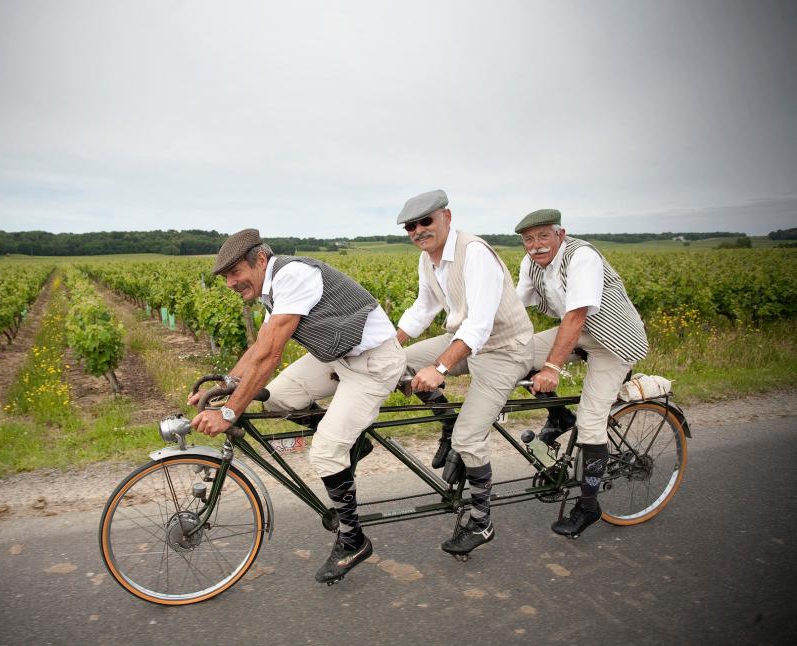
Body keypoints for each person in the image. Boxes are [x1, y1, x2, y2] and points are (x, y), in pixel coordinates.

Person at [190, 228, 406, 584]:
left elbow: (272, 354)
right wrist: (224, 386)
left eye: (234, 272)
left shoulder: (292, 275)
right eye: (225, 276)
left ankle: (353, 539)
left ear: (260, 260)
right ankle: (355, 442)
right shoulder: (271, 289)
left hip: (373, 363)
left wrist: (229, 412)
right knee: (277, 399)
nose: (230, 282)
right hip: (337, 358)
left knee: (323, 454)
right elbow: (259, 347)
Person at [394, 190, 534, 557]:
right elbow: (423, 308)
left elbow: (480, 324)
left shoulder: (474, 253)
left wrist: (440, 367)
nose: (419, 231)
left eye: (426, 221)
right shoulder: (429, 260)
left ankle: (482, 520)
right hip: (465, 339)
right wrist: (390, 346)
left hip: (503, 348)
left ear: (447, 217)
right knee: (398, 363)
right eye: (411, 226)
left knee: (470, 437)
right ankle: (446, 425)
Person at [514, 208, 649, 538]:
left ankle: (589, 505)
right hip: (579, 332)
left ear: (560, 234)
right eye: (529, 240)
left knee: (591, 423)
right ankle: (560, 417)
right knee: (513, 354)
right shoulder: (531, 264)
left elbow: (575, 316)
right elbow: (515, 306)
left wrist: (552, 367)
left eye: (543, 236)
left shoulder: (581, 256)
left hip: (613, 340)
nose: (536, 245)